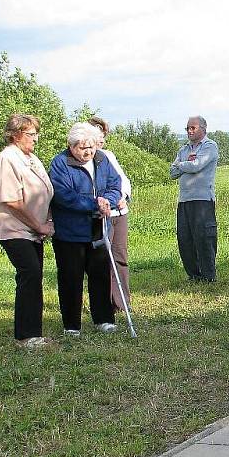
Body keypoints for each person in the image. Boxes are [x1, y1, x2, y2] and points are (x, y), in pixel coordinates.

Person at [0, 114, 54, 348]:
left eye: (36, 133)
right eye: (31, 134)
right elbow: (11, 200)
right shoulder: (7, 159)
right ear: (15, 135)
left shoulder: (31, 157)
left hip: (33, 228)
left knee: (34, 276)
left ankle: (32, 333)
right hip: (12, 226)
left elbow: (45, 192)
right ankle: (27, 336)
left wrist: (47, 221)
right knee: (30, 273)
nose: (35, 138)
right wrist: (38, 225)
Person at [49, 122, 121, 335]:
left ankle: (103, 319)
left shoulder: (102, 159)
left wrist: (108, 200)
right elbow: (63, 196)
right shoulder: (60, 163)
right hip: (70, 232)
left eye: (91, 146)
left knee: (100, 274)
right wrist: (94, 205)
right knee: (71, 277)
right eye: (82, 147)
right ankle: (72, 325)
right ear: (71, 146)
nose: (88, 151)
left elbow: (114, 185)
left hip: (99, 227)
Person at [88, 116, 132, 311]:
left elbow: (123, 181)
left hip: (119, 213)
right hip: (101, 215)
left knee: (120, 257)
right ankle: (104, 303)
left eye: (103, 135)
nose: (102, 140)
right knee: (101, 259)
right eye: (98, 135)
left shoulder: (109, 155)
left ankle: (122, 302)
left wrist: (123, 195)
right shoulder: (84, 160)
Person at [170, 115, 219, 282]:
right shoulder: (183, 150)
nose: (189, 131)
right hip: (184, 200)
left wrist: (182, 165)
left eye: (193, 128)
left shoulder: (210, 146)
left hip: (203, 199)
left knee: (204, 237)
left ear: (203, 129)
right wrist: (186, 164)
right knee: (185, 238)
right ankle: (193, 274)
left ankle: (208, 275)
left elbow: (197, 165)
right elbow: (172, 173)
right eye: (187, 128)